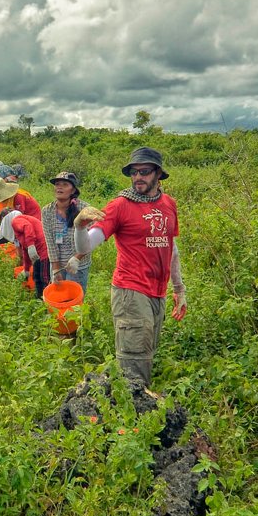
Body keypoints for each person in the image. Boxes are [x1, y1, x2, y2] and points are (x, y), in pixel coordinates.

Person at [74, 147, 185, 387]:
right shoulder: (120, 205)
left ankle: (140, 411)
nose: (138, 177)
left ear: (158, 174)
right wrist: (80, 227)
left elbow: (171, 247)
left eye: (144, 171)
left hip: (158, 293)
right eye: (133, 172)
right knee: (133, 362)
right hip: (131, 291)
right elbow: (87, 245)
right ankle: (133, 418)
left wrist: (179, 288)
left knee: (147, 353)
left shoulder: (168, 204)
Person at [41, 171, 91, 294]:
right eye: (57, 184)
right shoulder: (47, 211)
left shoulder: (84, 209)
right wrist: (56, 269)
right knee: (59, 298)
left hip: (78, 265)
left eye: (65, 184)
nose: (60, 187)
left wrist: (77, 258)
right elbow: (50, 242)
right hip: (58, 263)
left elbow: (90, 239)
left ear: (73, 190)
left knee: (74, 302)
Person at [0, 208, 50, 299]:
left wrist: (31, 245)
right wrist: (26, 270)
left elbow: (27, 226)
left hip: (44, 249)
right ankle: (39, 300)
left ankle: (48, 304)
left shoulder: (16, 220)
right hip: (38, 252)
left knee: (44, 277)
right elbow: (25, 250)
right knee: (36, 276)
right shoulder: (19, 232)